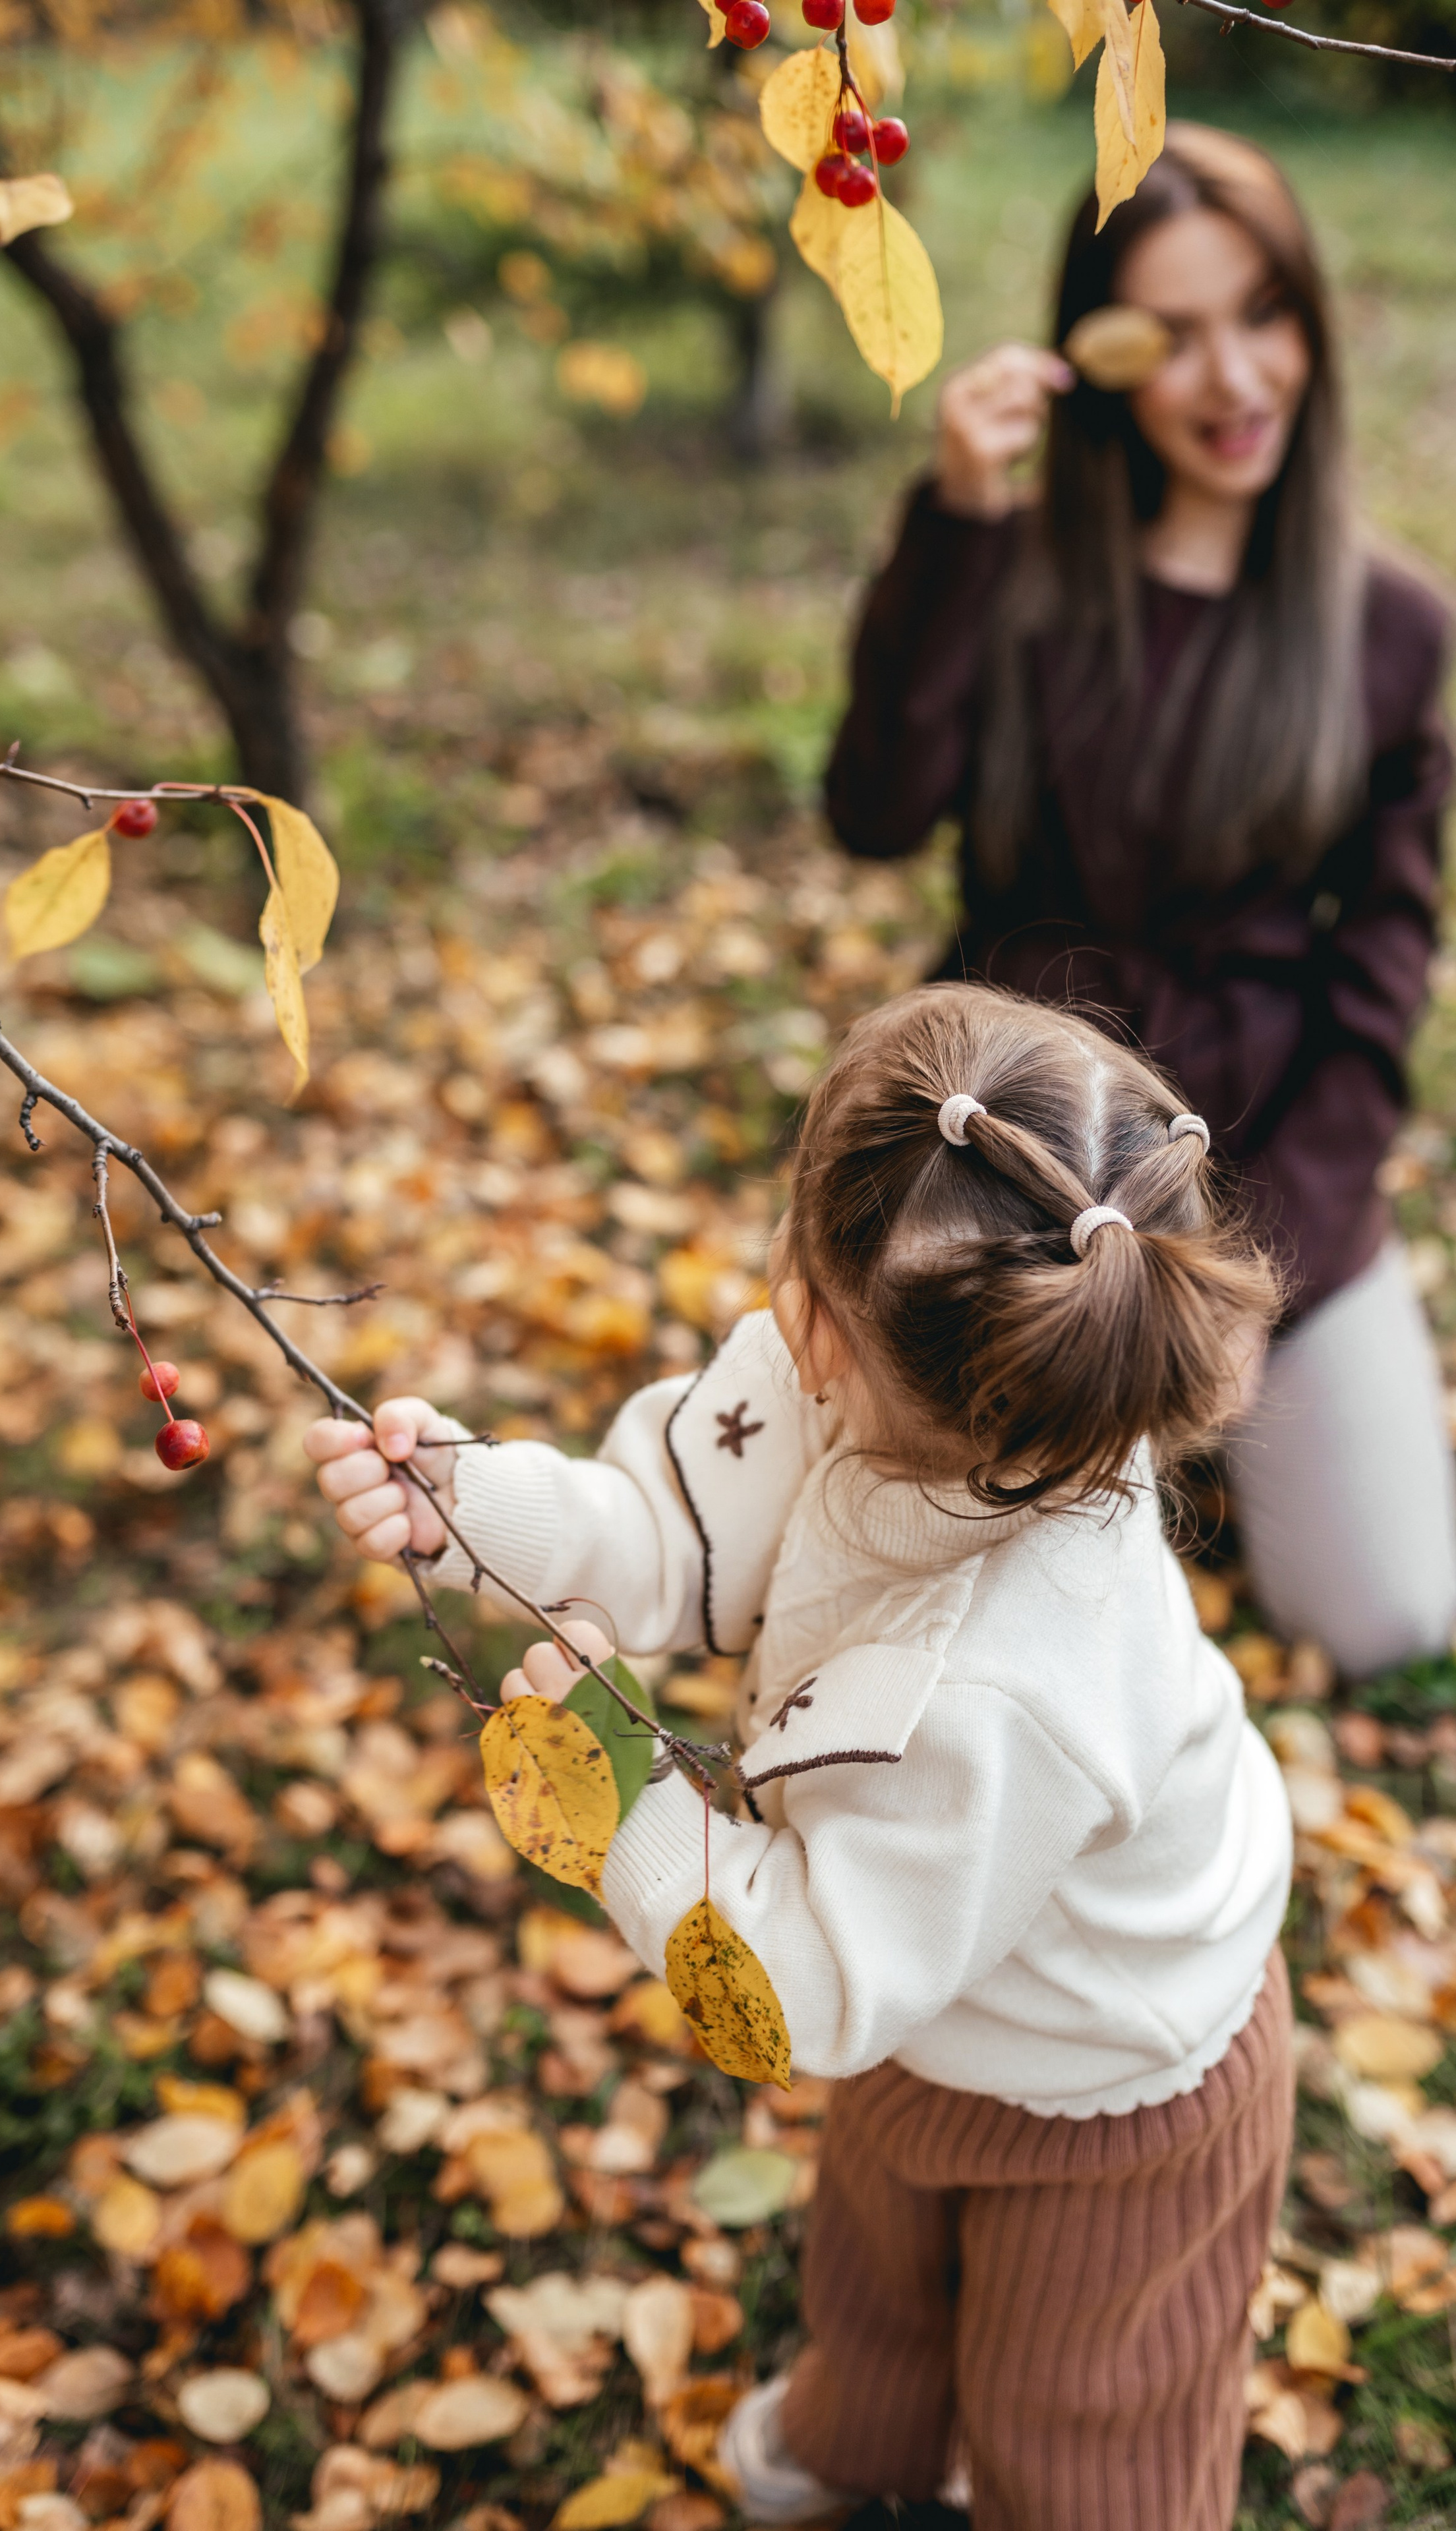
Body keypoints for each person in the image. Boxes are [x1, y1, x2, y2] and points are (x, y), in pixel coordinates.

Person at [306, 982, 1295, 2531]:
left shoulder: (1004, 1689)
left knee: (1079, 2400)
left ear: (815, 1310)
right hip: (933, 1986)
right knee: (876, 2272)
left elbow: (815, 1985)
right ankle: (862, 2452)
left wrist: (628, 1805)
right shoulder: (896, 1369)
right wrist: (475, 1510)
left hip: (1117, 2076)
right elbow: (673, 1531)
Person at [825, 125, 1456, 1681]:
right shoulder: (1023, 574)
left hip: (1260, 1156)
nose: (1231, 378)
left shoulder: (1384, 634)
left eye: (1260, 313)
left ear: (1309, 319)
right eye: (1169, 336)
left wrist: (1269, 1272)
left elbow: (1376, 980)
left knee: (1384, 1616)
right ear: (1098, 357)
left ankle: (1196, 1437)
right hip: (1022, 1136)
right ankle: (1139, 1439)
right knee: (920, 1589)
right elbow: (872, 814)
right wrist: (957, 522)